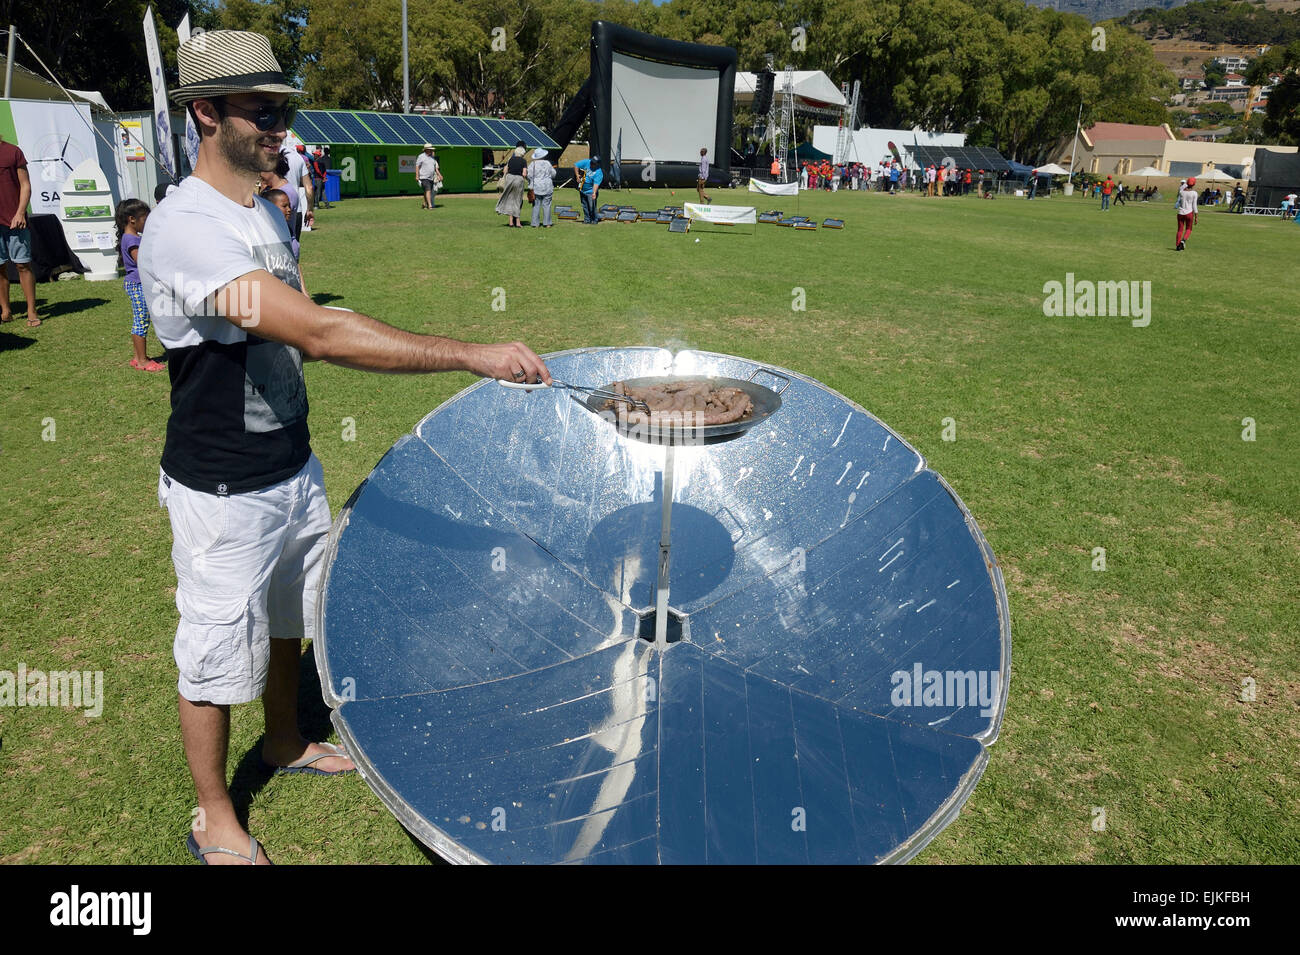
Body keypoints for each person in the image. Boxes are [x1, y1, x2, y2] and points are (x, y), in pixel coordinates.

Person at [139, 29, 551, 866]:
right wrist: (471, 353)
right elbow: (318, 333)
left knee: (290, 620)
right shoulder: (184, 228)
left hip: (291, 467)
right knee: (217, 649)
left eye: (283, 108)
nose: (281, 125)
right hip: (223, 490)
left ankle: (284, 738)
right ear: (206, 114)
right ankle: (214, 816)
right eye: (262, 111)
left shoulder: (259, 206)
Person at [116, 198, 164, 372]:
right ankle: (142, 360)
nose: (148, 222)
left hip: (138, 284)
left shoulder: (133, 237)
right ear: (132, 219)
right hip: (137, 285)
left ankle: (138, 357)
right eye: (145, 218)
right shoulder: (131, 240)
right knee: (141, 321)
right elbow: (141, 261)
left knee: (141, 319)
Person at [0, 131, 38, 327]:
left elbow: (25, 185)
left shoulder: (13, 152)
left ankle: (31, 310)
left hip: (15, 220)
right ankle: (5, 310)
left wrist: (20, 212)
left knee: (23, 265)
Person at [495, 146, 527, 227]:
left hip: (509, 178)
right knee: (517, 200)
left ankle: (511, 222)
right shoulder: (523, 161)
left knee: (510, 199)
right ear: (522, 153)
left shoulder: (510, 159)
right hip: (518, 180)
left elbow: (505, 170)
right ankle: (518, 222)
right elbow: (524, 173)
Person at [526, 147, 554, 228]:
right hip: (547, 186)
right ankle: (547, 223)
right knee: (547, 205)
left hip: (536, 186)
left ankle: (535, 224)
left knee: (536, 205)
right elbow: (553, 174)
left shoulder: (532, 164)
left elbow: (529, 175)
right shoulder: (548, 163)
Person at [574, 154, 602, 223]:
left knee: (592, 207)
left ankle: (594, 220)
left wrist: (594, 193)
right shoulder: (587, 162)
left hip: (591, 191)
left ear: (597, 164)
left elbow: (596, 184)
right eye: (591, 162)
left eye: (593, 163)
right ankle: (587, 220)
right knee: (584, 206)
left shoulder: (599, 172)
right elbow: (576, 165)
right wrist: (577, 175)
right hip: (582, 189)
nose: (591, 164)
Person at [1175, 175, 1198, 250]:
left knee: (1180, 230)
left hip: (1180, 212)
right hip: (1189, 213)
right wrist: (1196, 217)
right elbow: (1194, 206)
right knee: (1189, 229)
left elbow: (1183, 189)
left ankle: (1178, 245)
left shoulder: (1182, 192)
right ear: (1194, 184)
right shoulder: (1194, 193)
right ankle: (1183, 240)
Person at [415, 144, 440, 209]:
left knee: (427, 191)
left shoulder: (432, 158)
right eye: (430, 149)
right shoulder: (421, 156)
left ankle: (424, 203)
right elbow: (417, 166)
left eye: (432, 150)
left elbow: (435, 168)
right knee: (428, 190)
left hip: (431, 177)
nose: (432, 151)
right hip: (424, 177)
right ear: (426, 150)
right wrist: (417, 176)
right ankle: (430, 205)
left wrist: (438, 175)